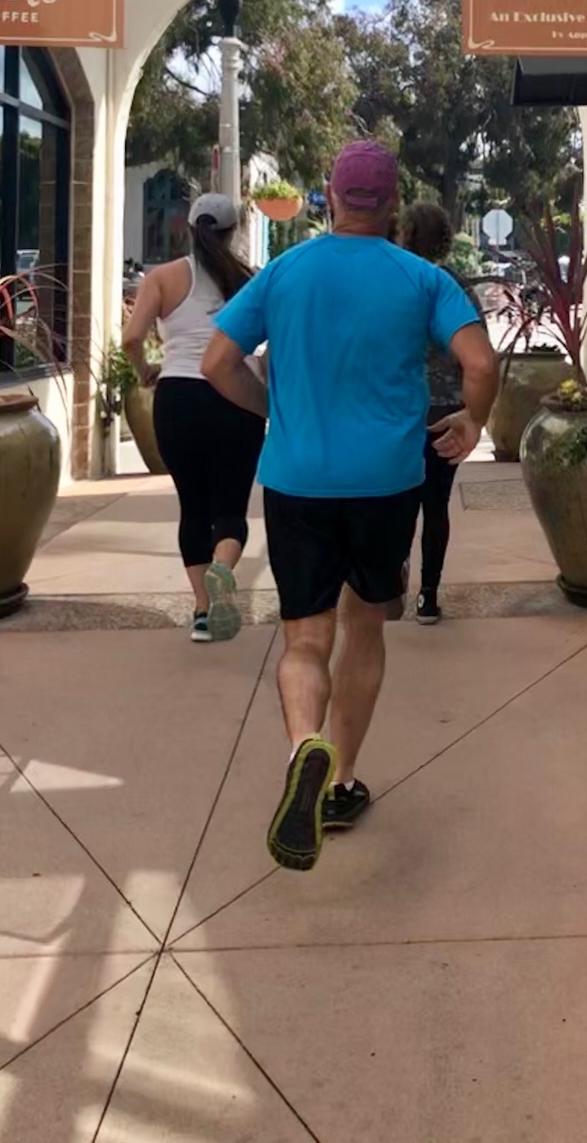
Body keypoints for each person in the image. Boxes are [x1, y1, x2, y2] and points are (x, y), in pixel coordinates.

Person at [202, 141, 498, 873]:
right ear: (392, 204)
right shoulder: (421, 277)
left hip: (298, 479)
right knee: (364, 624)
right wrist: (472, 421)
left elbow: (215, 363)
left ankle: (306, 744)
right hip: (386, 483)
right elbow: (481, 363)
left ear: (329, 197)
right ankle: (339, 786)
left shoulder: (286, 272)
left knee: (305, 639)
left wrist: (272, 410)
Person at [122, 193, 263, 644]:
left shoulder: (162, 277)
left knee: (193, 507)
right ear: (234, 231)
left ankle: (203, 612)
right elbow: (273, 344)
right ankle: (223, 569)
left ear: (190, 228)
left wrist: (145, 371)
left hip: (178, 398)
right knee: (230, 507)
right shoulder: (249, 280)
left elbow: (131, 337)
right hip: (235, 395)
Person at [399, 201, 477, 625]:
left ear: (404, 233)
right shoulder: (455, 286)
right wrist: (474, 410)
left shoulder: (394, 282)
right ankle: (428, 595)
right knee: (436, 503)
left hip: (398, 409)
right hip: (446, 409)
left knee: (398, 500)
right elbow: (478, 352)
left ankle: (393, 577)